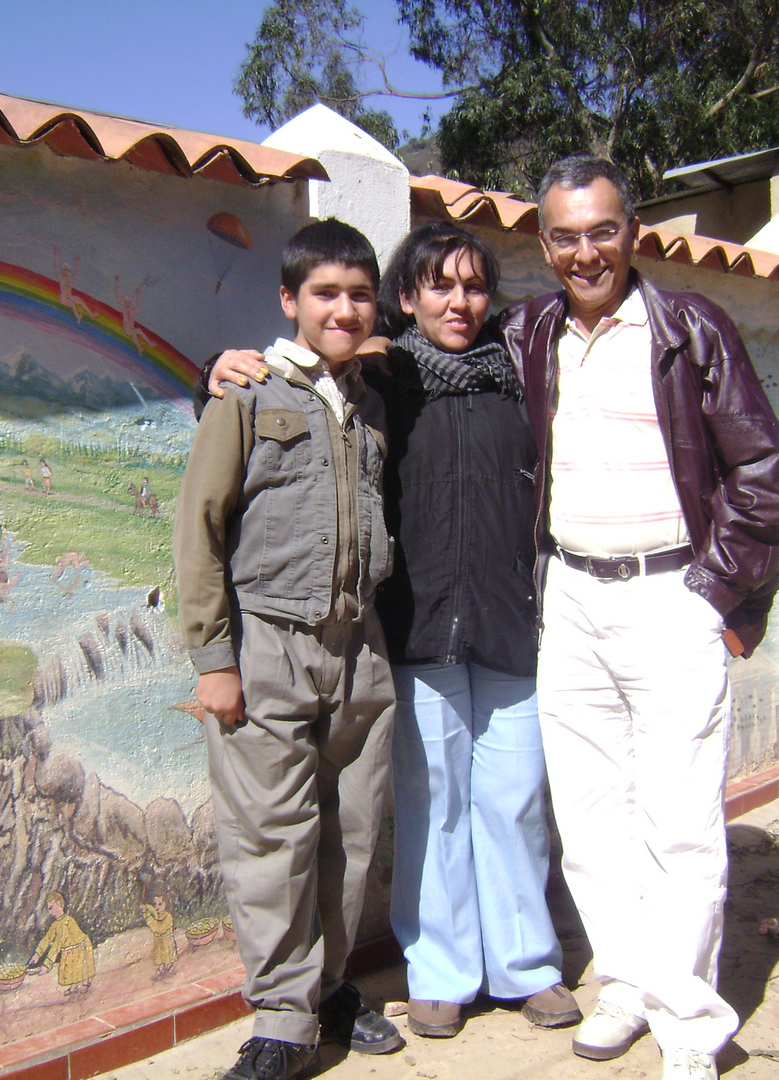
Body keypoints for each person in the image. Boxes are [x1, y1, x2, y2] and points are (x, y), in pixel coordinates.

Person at [212, 223, 577, 1039]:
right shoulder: (387, 376)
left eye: (475, 285)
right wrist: (222, 362)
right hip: (414, 628)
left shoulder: (525, 378)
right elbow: (294, 375)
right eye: (439, 286)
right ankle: (441, 971)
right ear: (406, 299)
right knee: (432, 801)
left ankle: (528, 966)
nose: (460, 301)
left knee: (515, 801)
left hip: (512, 622)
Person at [502, 156, 779, 1080]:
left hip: (671, 592)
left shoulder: (690, 328)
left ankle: (690, 1024)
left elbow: (760, 472)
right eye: (565, 235)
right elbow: (420, 343)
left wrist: (712, 593)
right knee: (590, 817)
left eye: (602, 230)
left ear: (633, 231)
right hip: (570, 599)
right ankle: (625, 983)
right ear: (543, 243)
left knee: (679, 821)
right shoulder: (530, 332)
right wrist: (263, 360)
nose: (585, 252)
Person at [174, 218, 404, 1080]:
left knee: (349, 834)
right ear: (288, 301)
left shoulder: (372, 401)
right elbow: (198, 529)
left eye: (358, 294)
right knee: (270, 838)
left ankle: (329, 987)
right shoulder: (246, 395)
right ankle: (280, 1018)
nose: (343, 310)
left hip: (359, 651)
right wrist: (215, 659)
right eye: (325, 294)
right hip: (267, 643)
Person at [29, 892, 95, 995]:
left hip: (81, 946)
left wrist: (46, 966)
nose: (50, 912)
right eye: (48, 909)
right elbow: (47, 939)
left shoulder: (66, 922)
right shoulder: (55, 924)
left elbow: (57, 945)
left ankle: (86, 983)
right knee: (70, 969)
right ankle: (73, 987)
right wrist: (37, 954)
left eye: (51, 908)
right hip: (69, 949)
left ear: (59, 904)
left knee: (81, 968)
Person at [140, 893, 178, 979]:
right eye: (155, 904)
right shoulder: (158, 913)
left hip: (166, 941)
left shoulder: (168, 917)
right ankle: (161, 968)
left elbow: (158, 928)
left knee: (167, 956)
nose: (157, 907)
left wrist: (146, 914)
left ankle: (169, 968)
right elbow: (153, 910)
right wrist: (146, 906)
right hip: (159, 941)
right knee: (159, 956)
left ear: (166, 904)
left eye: (160, 904)